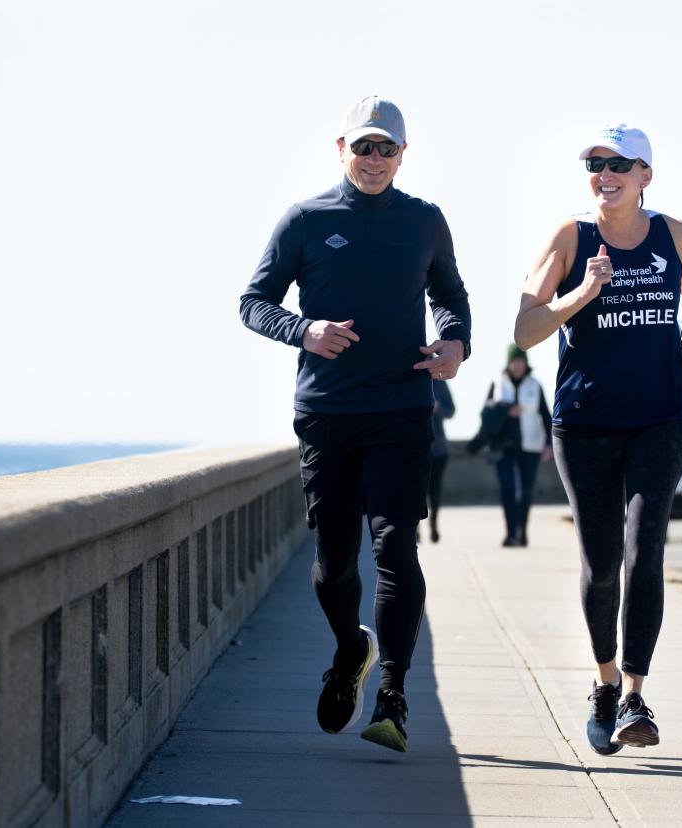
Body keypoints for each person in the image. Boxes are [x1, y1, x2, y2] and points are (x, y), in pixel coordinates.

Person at [238, 96, 472, 753]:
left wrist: (455, 343)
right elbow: (252, 302)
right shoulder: (306, 221)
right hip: (328, 415)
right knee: (333, 566)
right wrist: (304, 330)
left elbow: (450, 296)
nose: (374, 159)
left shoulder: (423, 221)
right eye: (363, 147)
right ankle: (350, 653)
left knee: (397, 550)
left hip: (401, 410)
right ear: (340, 149)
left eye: (386, 148)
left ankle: (393, 696)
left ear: (403, 154)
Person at [513, 124, 682, 755]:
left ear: (645, 175)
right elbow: (525, 330)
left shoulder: (674, 235)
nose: (605, 174)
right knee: (602, 566)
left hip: (662, 415)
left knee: (643, 549)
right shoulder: (571, 238)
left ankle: (634, 694)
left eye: (619, 164)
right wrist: (583, 291)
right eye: (596, 165)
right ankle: (603, 683)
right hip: (586, 423)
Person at [483, 345, 553, 547]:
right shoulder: (497, 383)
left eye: (520, 361)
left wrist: (549, 444)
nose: (517, 366)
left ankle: (522, 530)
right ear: (508, 363)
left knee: (526, 490)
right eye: (513, 361)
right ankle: (510, 532)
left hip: (529, 445)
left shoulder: (534, 385)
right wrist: (506, 411)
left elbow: (546, 416)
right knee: (507, 488)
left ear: (525, 363)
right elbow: (486, 414)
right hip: (503, 445)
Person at [427, 379, 454, 543]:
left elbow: (451, 410)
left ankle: (434, 525)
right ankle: (415, 529)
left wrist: (438, 408)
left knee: (434, 491)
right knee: (415, 492)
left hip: (438, 449)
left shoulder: (440, 380)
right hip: (412, 447)